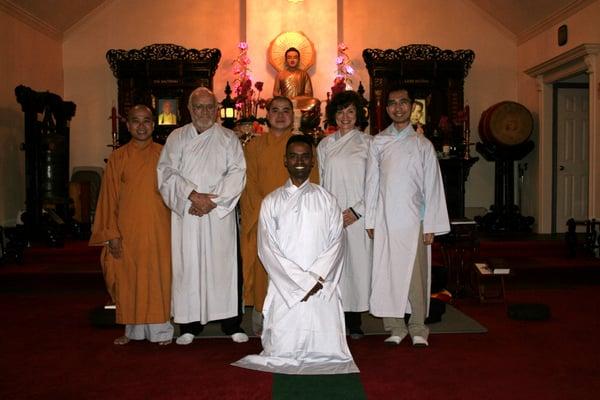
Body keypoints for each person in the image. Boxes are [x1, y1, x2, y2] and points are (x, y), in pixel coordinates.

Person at [233, 135, 359, 375]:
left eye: (305, 156)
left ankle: (324, 350)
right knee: (283, 347)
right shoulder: (271, 202)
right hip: (285, 286)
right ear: (285, 161)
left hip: (320, 285)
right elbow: (267, 248)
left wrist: (316, 279)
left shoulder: (328, 200)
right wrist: (298, 283)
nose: (299, 161)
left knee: (325, 346)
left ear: (313, 161)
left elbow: (336, 243)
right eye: (293, 156)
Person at [157, 87, 248, 345]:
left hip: (218, 213)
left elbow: (237, 173)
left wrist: (211, 201)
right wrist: (191, 195)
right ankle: (189, 324)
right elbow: (166, 173)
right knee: (189, 266)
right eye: (199, 107)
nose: (204, 112)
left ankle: (231, 323)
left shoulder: (229, 138)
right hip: (187, 212)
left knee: (223, 266)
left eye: (209, 107)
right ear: (189, 109)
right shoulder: (176, 137)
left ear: (217, 109)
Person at [364, 86, 450, 347]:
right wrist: (370, 219)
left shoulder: (422, 144)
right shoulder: (378, 142)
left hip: (415, 221)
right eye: (392, 103)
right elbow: (371, 184)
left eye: (403, 102)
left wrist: (431, 224)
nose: (398, 107)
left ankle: (418, 326)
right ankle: (394, 326)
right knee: (387, 272)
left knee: (415, 276)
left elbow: (432, 186)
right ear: (386, 108)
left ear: (413, 107)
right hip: (386, 221)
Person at [90, 104, 173, 346]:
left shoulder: (165, 154)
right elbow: (108, 198)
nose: (141, 126)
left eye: (146, 121)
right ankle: (133, 330)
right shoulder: (118, 158)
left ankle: (161, 331)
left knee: (159, 277)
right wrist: (112, 234)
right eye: (135, 121)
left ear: (154, 124)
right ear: (128, 125)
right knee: (129, 278)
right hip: (127, 230)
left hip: (160, 228)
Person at [240, 96, 318, 336]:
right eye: (275, 110)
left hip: (295, 223)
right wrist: (265, 215)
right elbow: (249, 185)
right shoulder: (253, 146)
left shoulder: (302, 145)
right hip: (263, 219)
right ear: (267, 114)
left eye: (286, 110)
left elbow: (311, 182)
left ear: (293, 114)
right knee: (264, 270)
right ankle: (261, 321)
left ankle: (296, 324)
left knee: (294, 269)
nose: (281, 115)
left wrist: (294, 217)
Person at [317, 91, 372, 339]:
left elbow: (374, 183)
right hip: (332, 215)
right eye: (340, 112)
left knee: (357, 268)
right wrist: (330, 213)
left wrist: (357, 210)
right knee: (334, 268)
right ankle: (334, 319)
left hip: (358, 215)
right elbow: (320, 182)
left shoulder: (368, 143)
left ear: (358, 114)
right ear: (333, 116)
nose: (345, 117)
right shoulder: (325, 145)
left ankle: (355, 320)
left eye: (350, 111)